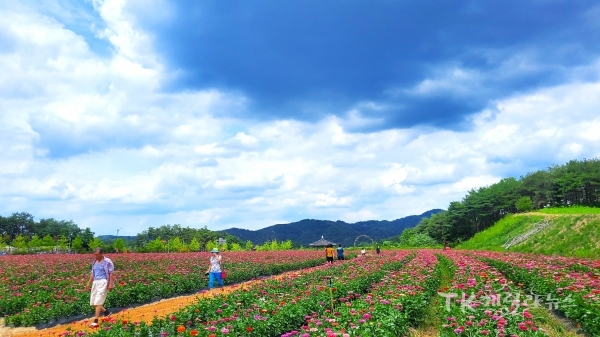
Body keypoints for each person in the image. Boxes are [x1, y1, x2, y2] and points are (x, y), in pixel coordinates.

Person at [86, 248, 114, 327]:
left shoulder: (107, 261)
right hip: (95, 282)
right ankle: (106, 312)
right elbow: (92, 273)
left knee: (98, 302)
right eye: (94, 254)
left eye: (97, 254)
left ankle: (95, 320)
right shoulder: (94, 262)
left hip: (103, 282)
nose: (95, 256)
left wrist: (110, 284)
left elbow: (111, 273)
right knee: (93, 303)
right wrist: (88, 283)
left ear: (102, 254)